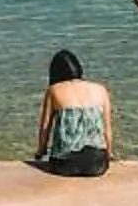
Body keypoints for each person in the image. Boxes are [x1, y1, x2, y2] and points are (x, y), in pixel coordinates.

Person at [31, 49, 113, 177]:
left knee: (63, 160)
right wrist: (109, 154)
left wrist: (40, 152)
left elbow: (45, 127)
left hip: (65, 165)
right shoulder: (100, 89)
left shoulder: (54, 90)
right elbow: (107, 129)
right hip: (97, 165)